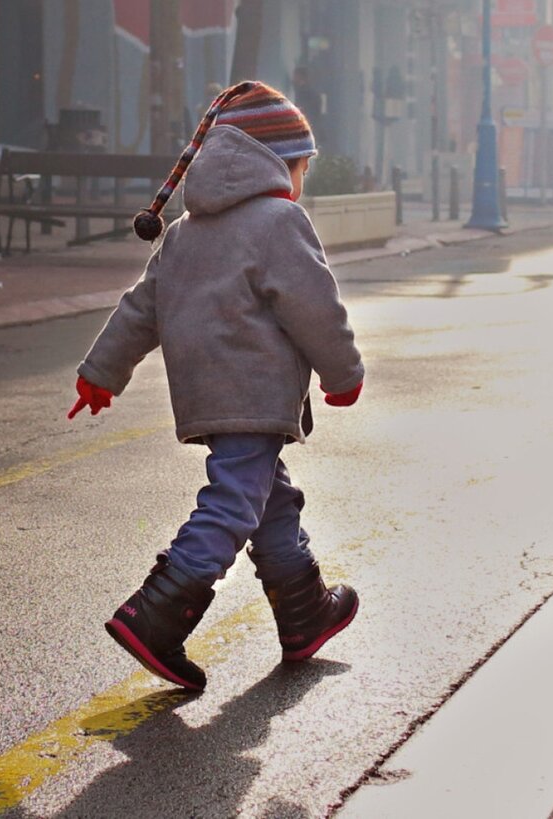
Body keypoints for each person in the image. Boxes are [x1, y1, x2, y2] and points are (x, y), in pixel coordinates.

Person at [68, 82, 364, 691]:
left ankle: (304, 612)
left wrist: (101, 373)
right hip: (256, 392)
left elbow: (140, 310)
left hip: (207, 394)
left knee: (270, 498)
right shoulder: (281, 220)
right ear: (278, 164)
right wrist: (343, 375)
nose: (302, 179)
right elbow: (315, 308)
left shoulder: (182, 232)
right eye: (303, 165)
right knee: (234, 502)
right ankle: (156, 617)